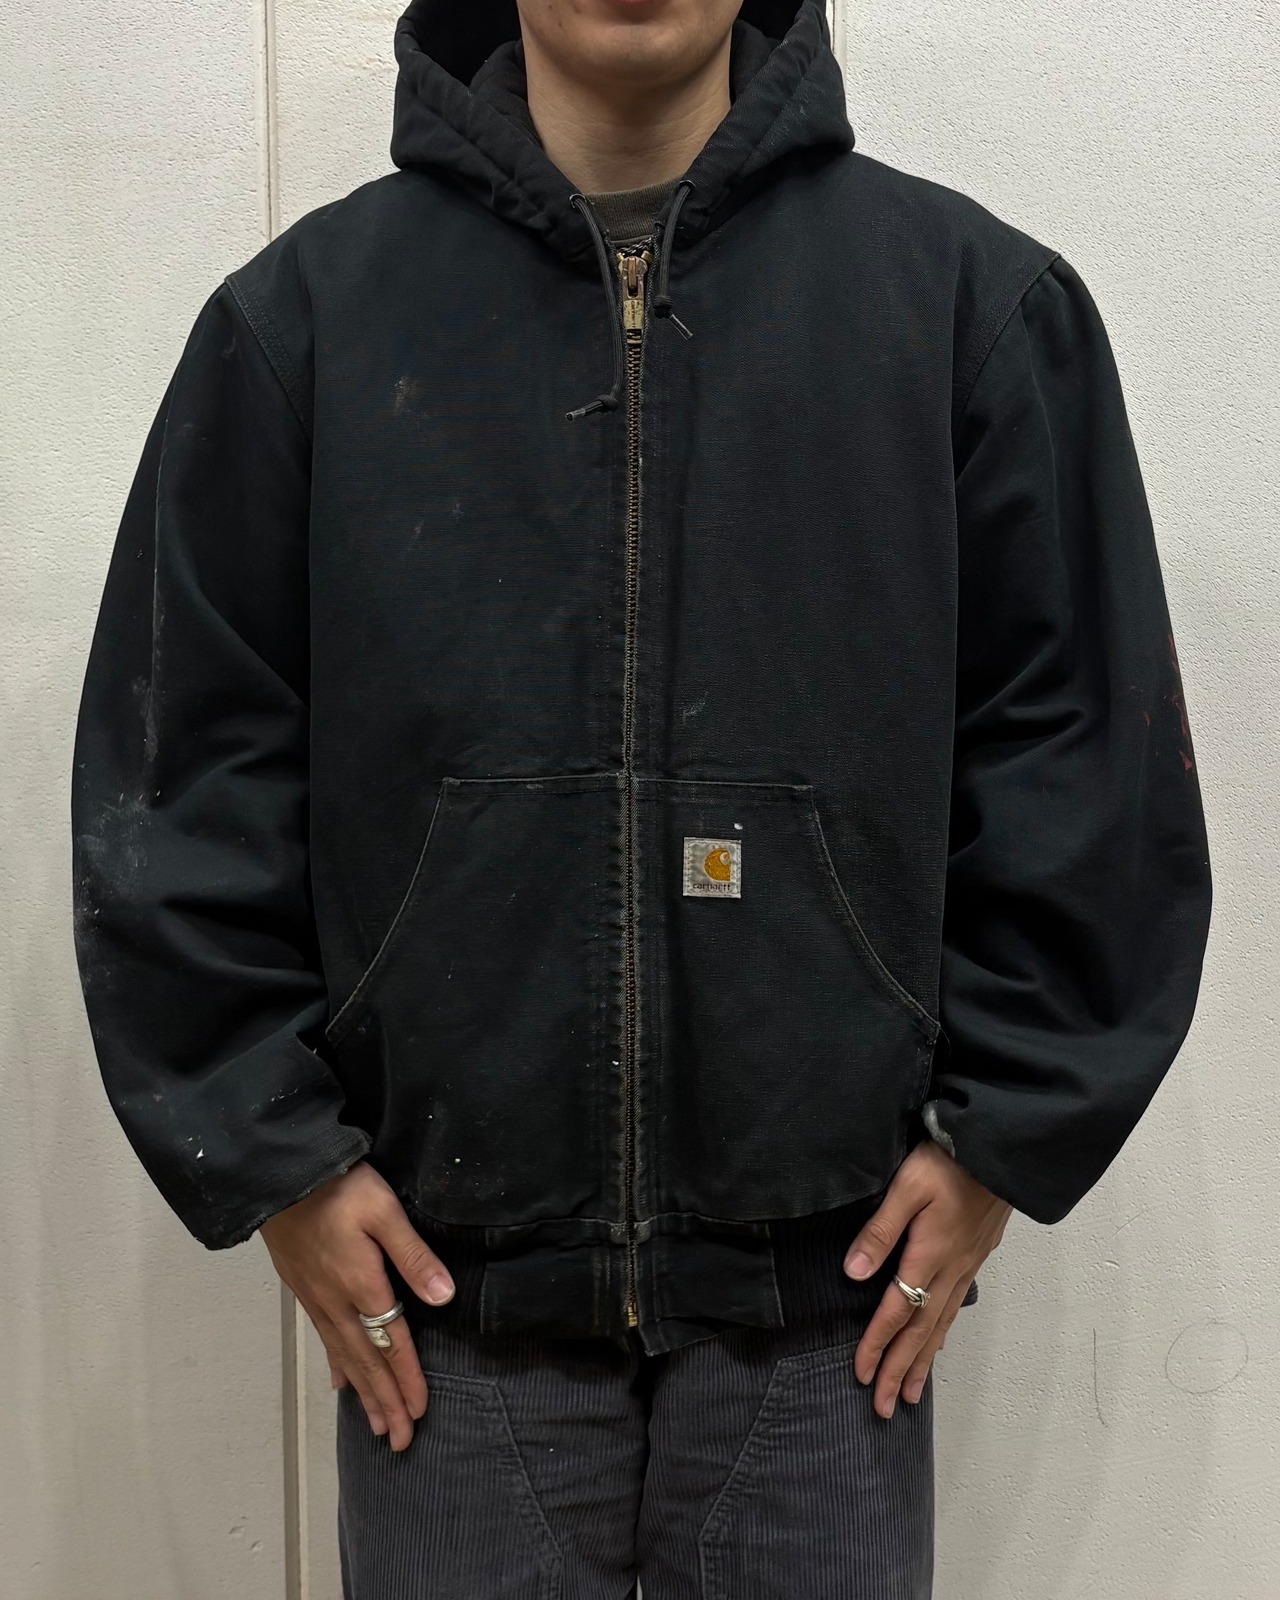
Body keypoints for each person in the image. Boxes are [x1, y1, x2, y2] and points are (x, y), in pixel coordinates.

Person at [70, 0, 1212, 1594]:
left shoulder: (969, 312)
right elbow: (181, 772)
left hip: (829, 1311)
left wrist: (1006, 1136)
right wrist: (276, 1162)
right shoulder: (303, 330)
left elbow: (1085, 759)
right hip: (448, 1319)